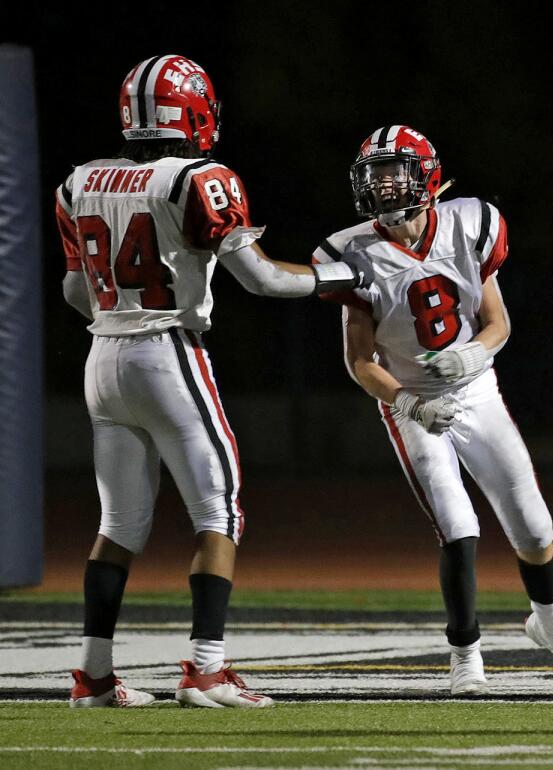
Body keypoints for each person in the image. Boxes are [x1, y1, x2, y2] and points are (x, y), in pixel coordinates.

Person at [56, 55, 371, 708]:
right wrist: (347, 278)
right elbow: (263, 279)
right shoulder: (199, 177)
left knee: (118, 523)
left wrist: (123, 315)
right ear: (191, 113)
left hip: (101, 356)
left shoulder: (78, 181)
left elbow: (73, 289)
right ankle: (206, 668)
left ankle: (93, 676)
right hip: (168, 351)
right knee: (218, 513)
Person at [314, 124, 553, 696]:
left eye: (395, 176)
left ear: (425, 178)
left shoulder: (471, 223)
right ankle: (465, 655)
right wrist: (408, 403)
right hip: (410, 402)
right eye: (376, 178)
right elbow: (359, 360)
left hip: (476, 390)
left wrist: (472, 354)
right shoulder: (350, 250)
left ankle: (551, 626)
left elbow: (498, 323)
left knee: (535, 525)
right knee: (457, 524)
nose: (385, 189)